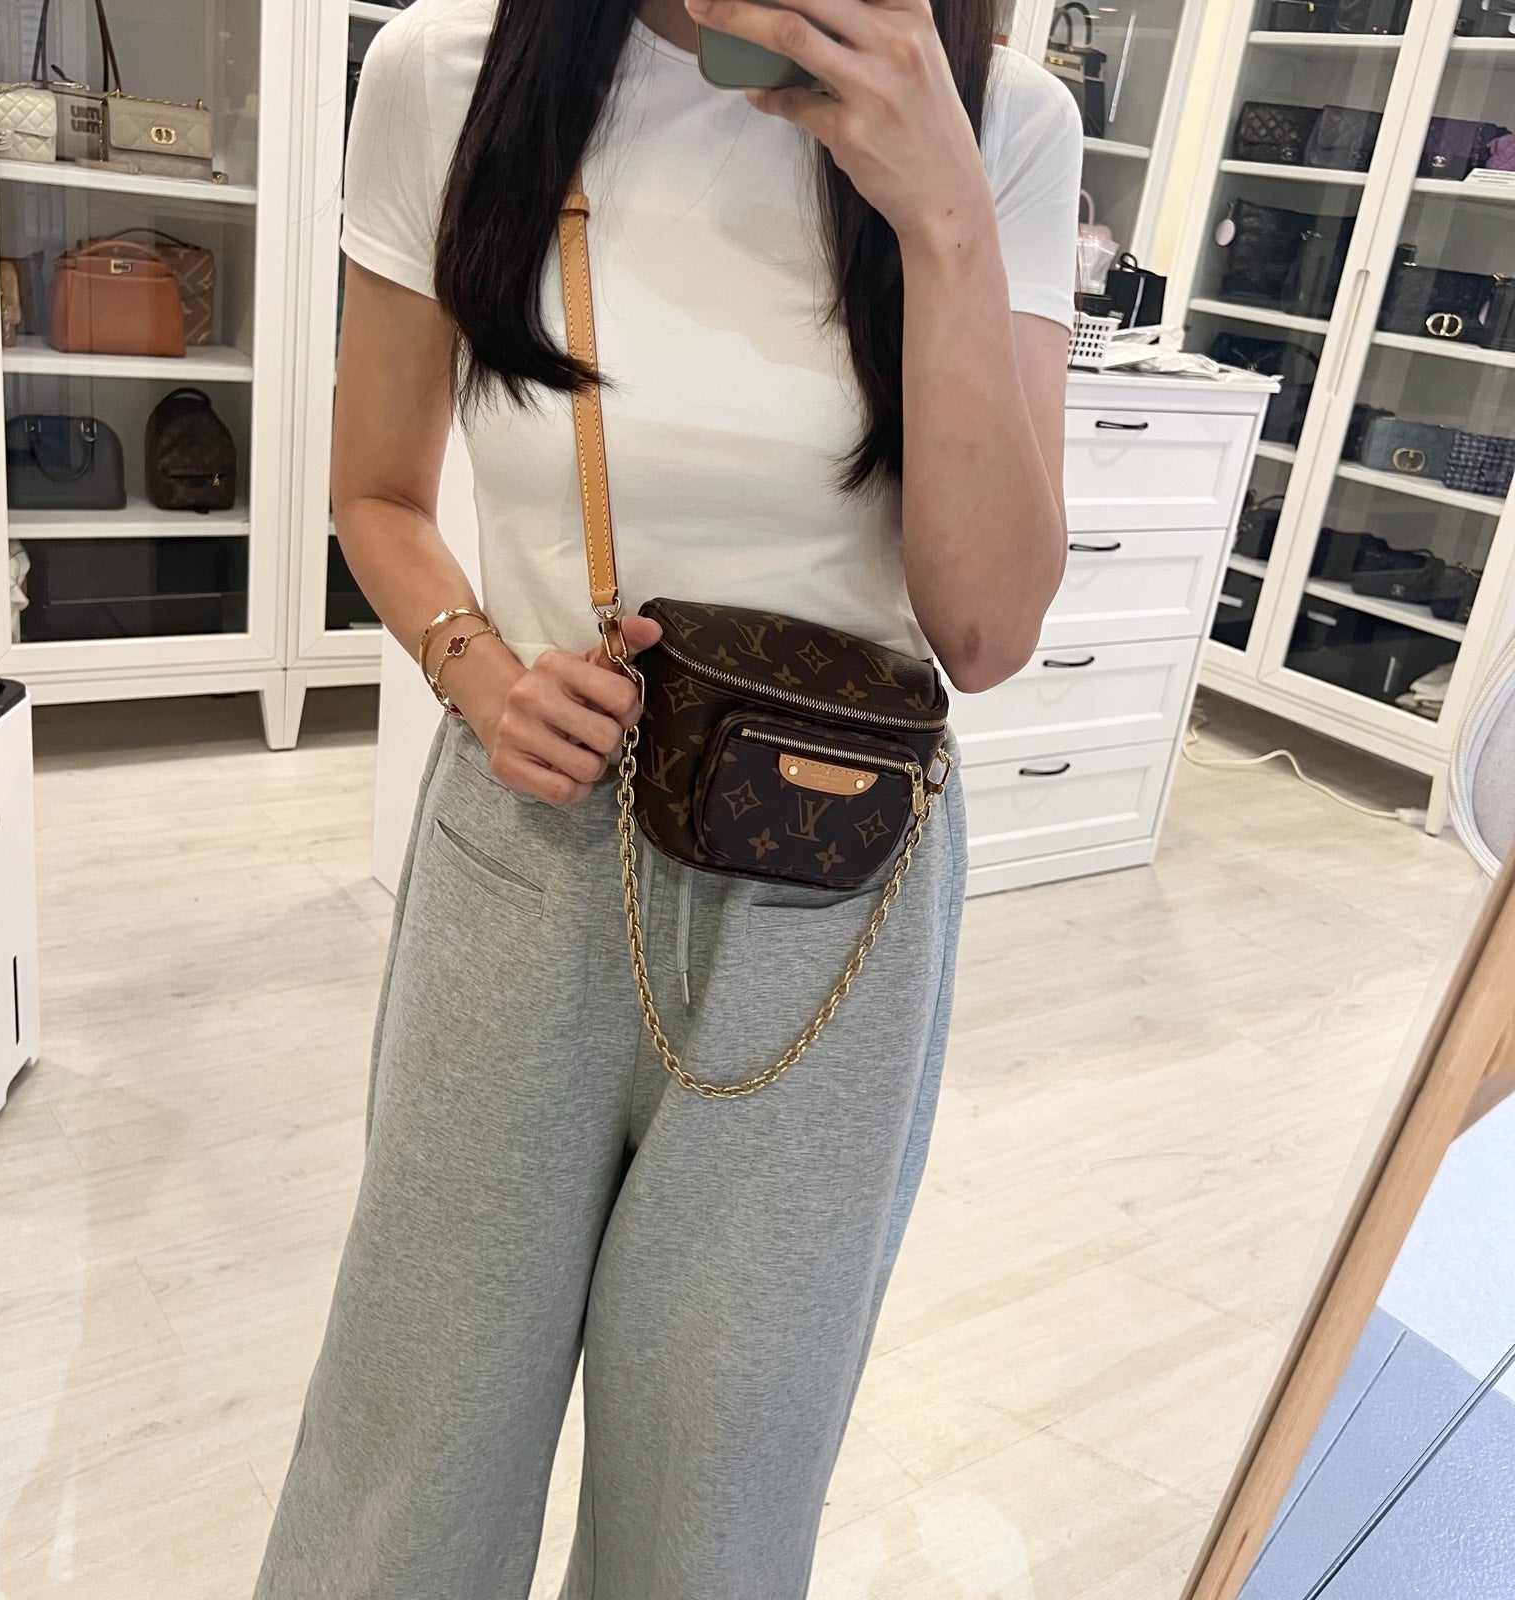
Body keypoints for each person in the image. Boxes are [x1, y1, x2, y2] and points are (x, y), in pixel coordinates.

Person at [254, 1, 1079, 1594]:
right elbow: (375, 490)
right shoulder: (449, 73)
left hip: (835, 903)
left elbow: (985, 632)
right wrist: (477, 667)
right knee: (412, 1449)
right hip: (530, 847)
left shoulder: (1003, 123)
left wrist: (947, 214)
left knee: (717, 1494)